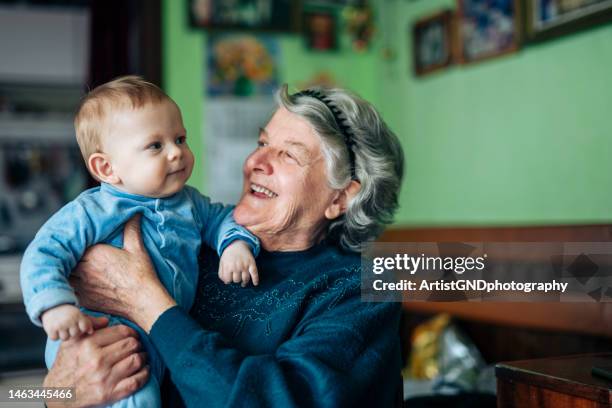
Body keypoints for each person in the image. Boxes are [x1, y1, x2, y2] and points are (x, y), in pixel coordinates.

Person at [43, 84, 405, 407]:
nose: (254, 162)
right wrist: (55, 397)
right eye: (263, 143)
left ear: (341, 197)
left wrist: (145, 301)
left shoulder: (361, 288)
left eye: (287, 155)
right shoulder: (189, 242)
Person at [21, 76, 260, 408]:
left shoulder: (191, 203)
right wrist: (55, 306)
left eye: (180, 138)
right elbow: (44, 252)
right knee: (138, 396)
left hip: (159, 339)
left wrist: (235, 245)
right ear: (107, 168)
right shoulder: (92, 211)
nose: (177, 153)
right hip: (101, 333)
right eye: (156, 146)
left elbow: (224, 218)